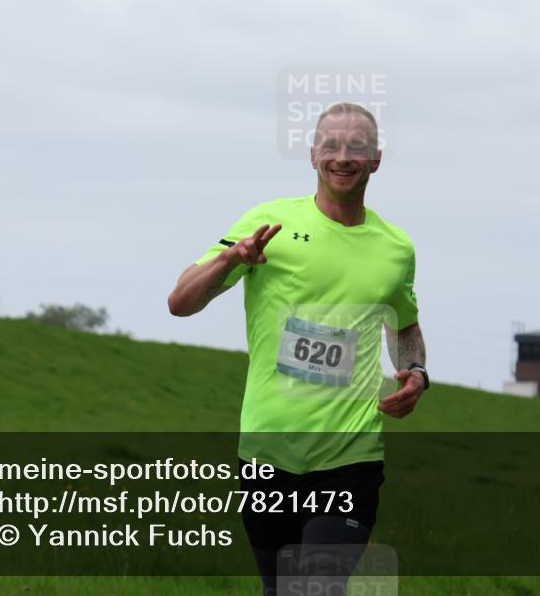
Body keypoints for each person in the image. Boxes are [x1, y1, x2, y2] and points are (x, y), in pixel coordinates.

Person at [168, 102, 428, 595]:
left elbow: (404, 327)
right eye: (331, 145)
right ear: (312, 155)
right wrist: (231, 259)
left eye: (356, 147)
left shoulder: (396, 248)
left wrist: (416, 372)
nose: (342, 157)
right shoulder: (269, 223)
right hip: (267, 452)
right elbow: (180, 303)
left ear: (376, 159)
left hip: (350, 455)